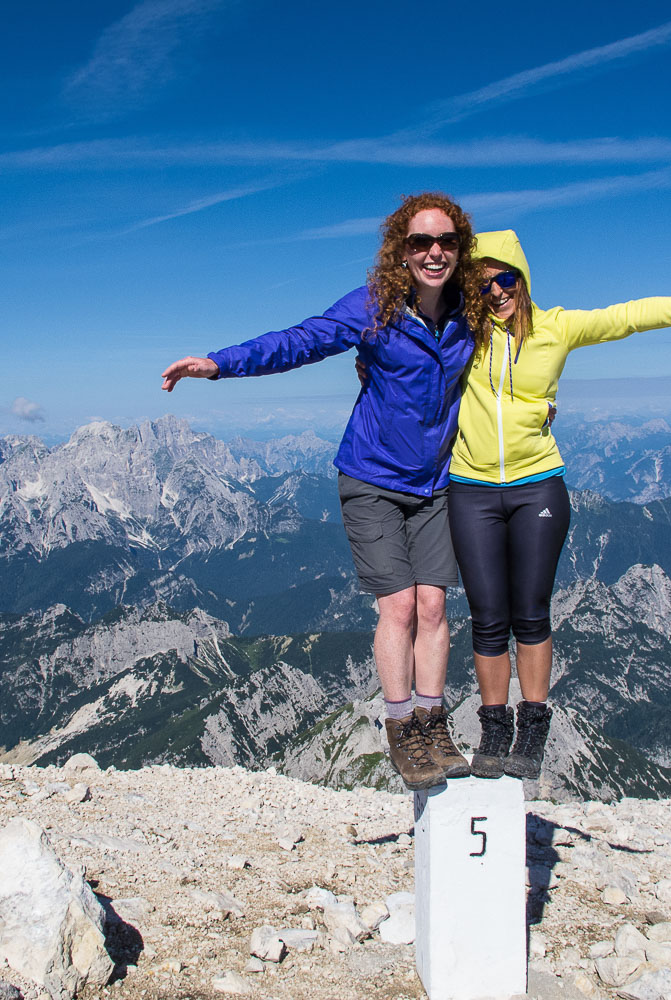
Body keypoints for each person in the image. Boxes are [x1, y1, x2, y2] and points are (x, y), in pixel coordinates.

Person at [160, 193, 489, 791]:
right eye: (421, 242)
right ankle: (400, 728)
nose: (434, 252)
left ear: (460, 249)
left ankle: (433, 719)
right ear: (402, 250)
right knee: (398, 607)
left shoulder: (473, 313)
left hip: (438, 481)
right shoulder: (374, 308)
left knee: (435, 606)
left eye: (446, 242)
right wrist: (219, 364)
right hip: (371, 478)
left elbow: (535, 323)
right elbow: (300, 341)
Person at [448, 229, 671, 780]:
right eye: (482, 286)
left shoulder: (558, 328)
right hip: (471, 487)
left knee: (530, 612)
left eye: (504, 279)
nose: (496, 292)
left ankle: (533, 725)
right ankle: (494, 727)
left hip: (537, 485)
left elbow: (630, 316)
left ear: (521, 279)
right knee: (486, 618)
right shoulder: (460, 333)